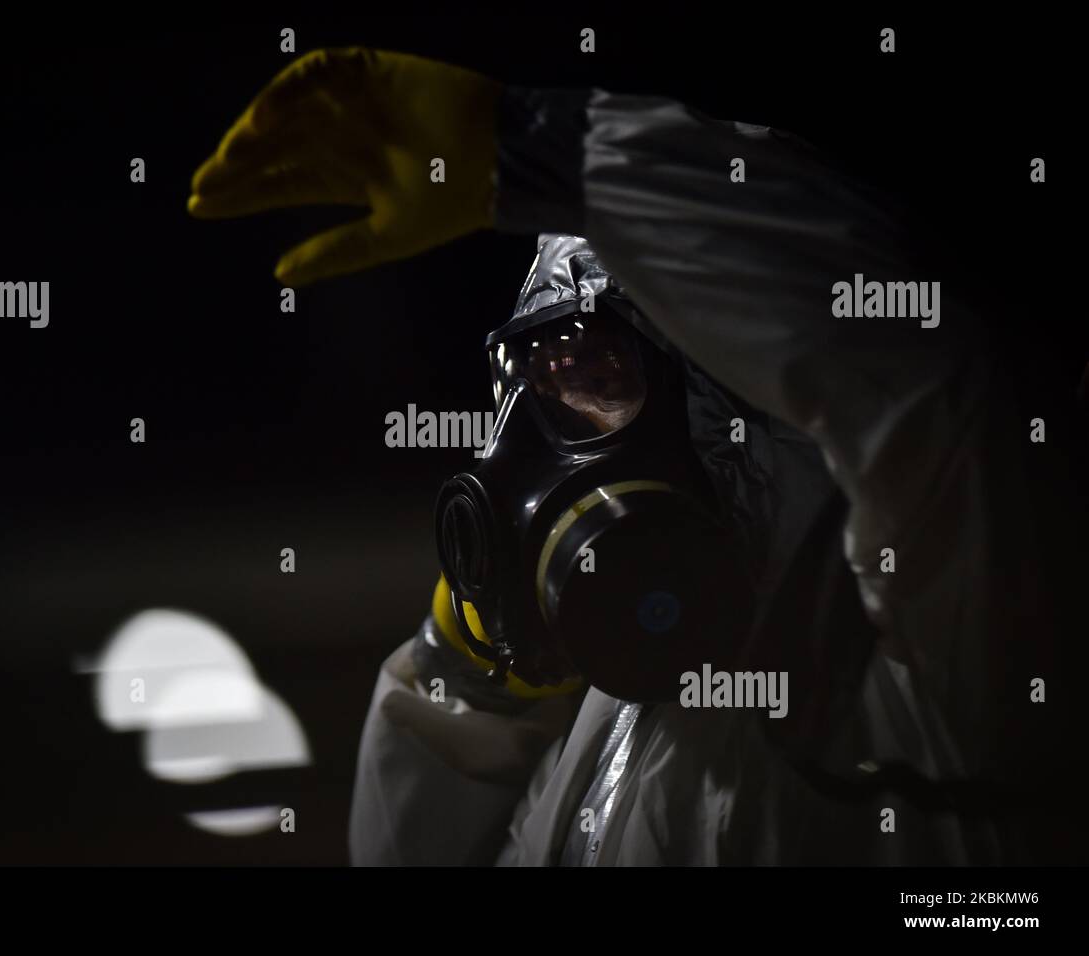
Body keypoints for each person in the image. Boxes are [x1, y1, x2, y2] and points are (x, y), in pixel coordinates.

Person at [188, 48, 1088, 864]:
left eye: (585, 371)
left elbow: (905, 379)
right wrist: (473, 676)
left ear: (751, 388)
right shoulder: (617, 724)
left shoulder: (956, 671)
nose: (526, 449)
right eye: (529, 383)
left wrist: (554, 151)